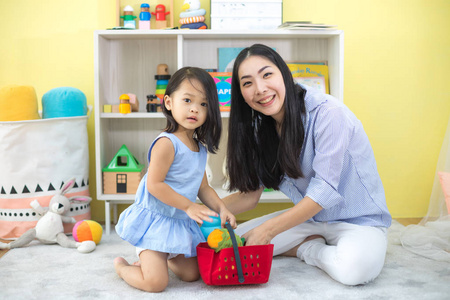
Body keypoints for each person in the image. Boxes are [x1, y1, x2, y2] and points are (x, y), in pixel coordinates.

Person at [223, 44, 392, 286]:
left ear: (283, 73)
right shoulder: (261, 130)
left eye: (267, 74)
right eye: (247, 83)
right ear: (241, 93)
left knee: (355, 270)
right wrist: (199, 213)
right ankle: (310, 241)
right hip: (308, 220)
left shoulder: (328, 113)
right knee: (227, 248)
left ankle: (308, 249)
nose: (260, 89)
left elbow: (323, 192)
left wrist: (269, 230)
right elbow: (250, 197)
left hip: (358, 221)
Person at [114, 67, 237, 292]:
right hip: (157, 220)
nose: (195, 109)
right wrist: (189, 206)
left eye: (204, 104)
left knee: (192, 275)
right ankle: (124, 267)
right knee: (156, 283)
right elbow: (154, 184)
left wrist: (222, 209)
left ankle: (163, 256)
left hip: (177, 222)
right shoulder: (166, 143)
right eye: (188, 100)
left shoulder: (199, 149)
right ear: (169, 102)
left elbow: (203, 187)